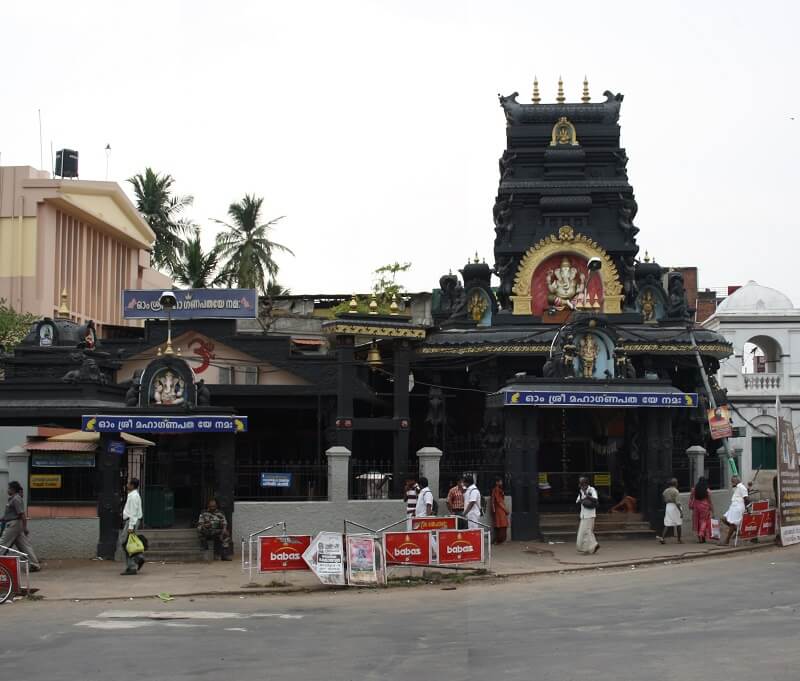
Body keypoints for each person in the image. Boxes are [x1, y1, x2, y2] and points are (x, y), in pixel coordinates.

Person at [0, 481, 41, 572]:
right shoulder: (12, 499)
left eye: (9, 488)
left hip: (14, 524)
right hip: (14, 524)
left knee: (2, 542)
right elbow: (9, 514)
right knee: (24, 545)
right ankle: (35, 564)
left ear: (13, 489)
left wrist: (25, 527)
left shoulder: (16, 499)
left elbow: (22, 515)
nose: (8, 490)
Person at [120, 478, 143, 576]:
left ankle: (132, 565)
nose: (127, 485)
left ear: (132, 486)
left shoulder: (133, 497)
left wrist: (130, 526)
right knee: (128, 543)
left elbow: (133, 512)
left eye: (129, 484)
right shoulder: (133, 495)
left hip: (131, 521)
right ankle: (137, 559)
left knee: (126, 544)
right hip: (131, 521)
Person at [720, 475, 750, 546]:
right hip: (733, 506)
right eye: (732, 481)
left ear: (737, 481)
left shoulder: (742, 487)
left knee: (732, 523)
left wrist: (747, 508)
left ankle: (726, 541)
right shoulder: (737, 487)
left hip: (738, 507)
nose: (732, 482)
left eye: (733, 481)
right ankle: (737, 531)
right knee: (724, 519)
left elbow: (747, 499)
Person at [576, 476, 599, 554]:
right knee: (585, 532)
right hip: (583, 514)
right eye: (580, 484)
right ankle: (594, 545)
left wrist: (587, 495)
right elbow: (577, 501)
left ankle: (588, 548)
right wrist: (582, 500)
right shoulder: (581, 491)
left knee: (587, 532)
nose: (581, 486)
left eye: (582, 484)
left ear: (586, 484)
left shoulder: (591, 490)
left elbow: (595, 499)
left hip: (590, 514)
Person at [689, 476, 714, 543]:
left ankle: (700, 537)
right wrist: (712, 510)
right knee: (704, 521)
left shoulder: (694, 489)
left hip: (696, 506)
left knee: (697, 521)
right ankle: (701, 533)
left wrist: (690, 505)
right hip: (705, 506)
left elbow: (691, 498)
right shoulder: (707, 490)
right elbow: (710, 501)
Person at [658, 478, 683, 544]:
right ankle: (679, 539)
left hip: (668, 506)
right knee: (678, 523)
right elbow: (677, 502)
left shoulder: (665, 491)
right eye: (677, 482)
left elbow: (663, 498)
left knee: (667, 523)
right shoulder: (676, 491)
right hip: (675, 507)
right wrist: (680, 511)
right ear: (675, 484)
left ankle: (662, 538)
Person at [490, 478, 509, 544]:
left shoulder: (497, 490)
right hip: (499, 509)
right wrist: (505, 509)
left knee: (500, 525)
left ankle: (498, 540)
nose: (502, 483)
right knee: (501, 524)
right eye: (500, 482)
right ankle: (499, 540)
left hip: (499, 509)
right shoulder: (496, 490)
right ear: (497, 482)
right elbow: (498, 501)